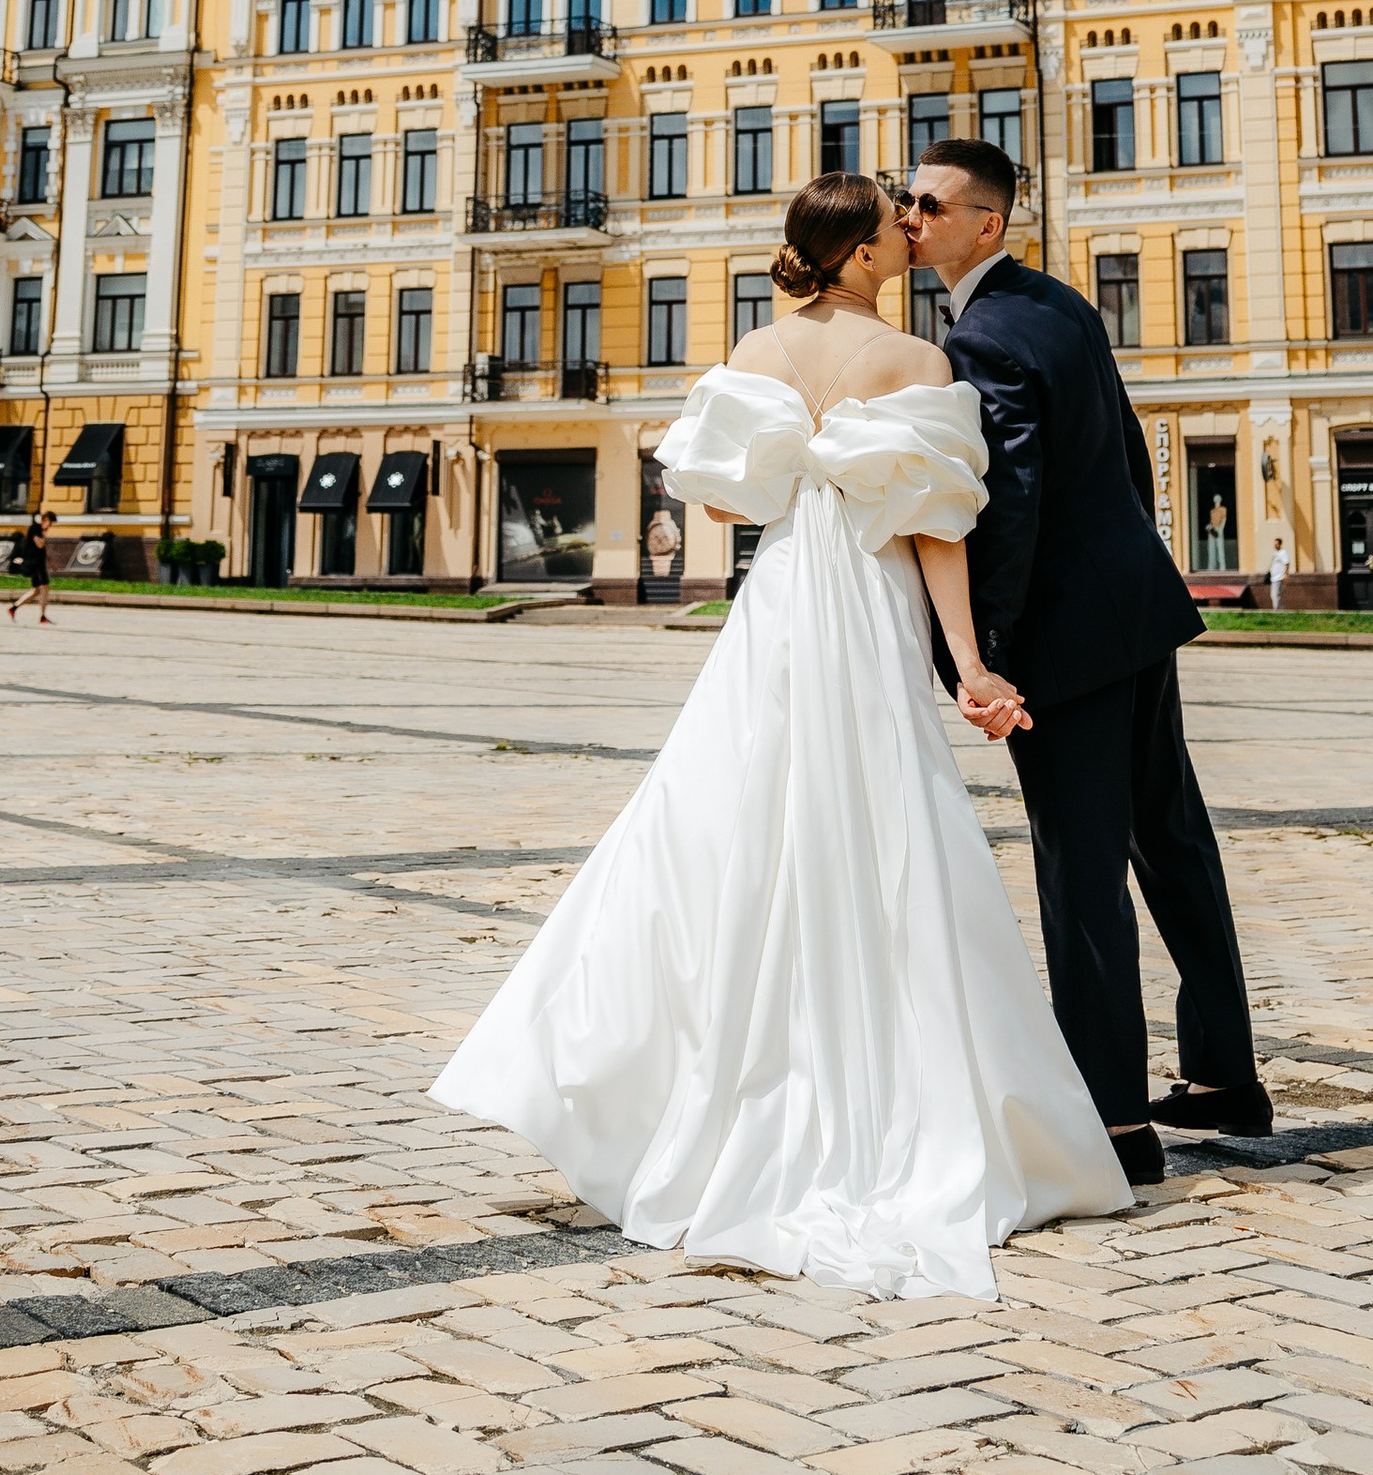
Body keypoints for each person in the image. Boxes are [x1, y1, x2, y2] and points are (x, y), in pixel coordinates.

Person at [432, 174, 1128, 1298]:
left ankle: (681, 1086)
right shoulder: (915, 362)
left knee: (731, 816)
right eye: (888, 234)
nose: (906, 242)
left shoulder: (752, 352)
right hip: (868, 599)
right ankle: (909, 1101)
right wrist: (971, 663)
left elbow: (721, 507)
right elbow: (934, 527)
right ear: (857, 255)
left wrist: (800, 464)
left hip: (784, 596)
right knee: (883, 823)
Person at [905, 140, 1270, 1184]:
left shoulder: (985, 337)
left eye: (930, 203)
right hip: (1133, 612)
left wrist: (985, 658)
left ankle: (1114, 1119)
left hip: (1065, 640)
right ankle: (1220, 1076)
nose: (911, 215)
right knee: (1172, 842)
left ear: (987, 224)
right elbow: (1126, 444)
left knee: (1080, 874)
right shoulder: (1057, 304)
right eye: (906, 198)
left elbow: (1007, 508)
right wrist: (1137, 577)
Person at [6, 509, 52, 624]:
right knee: (44, 588)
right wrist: (44, 533)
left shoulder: (38, 529)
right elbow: (40, 545)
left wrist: (50, 560)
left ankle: (13, 608)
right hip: (36, 563)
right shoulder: (36, 528)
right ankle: (42, 616)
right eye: (50, 522)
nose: (50, 525)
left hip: (38, 562)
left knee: (36, 591)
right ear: (45, 520)